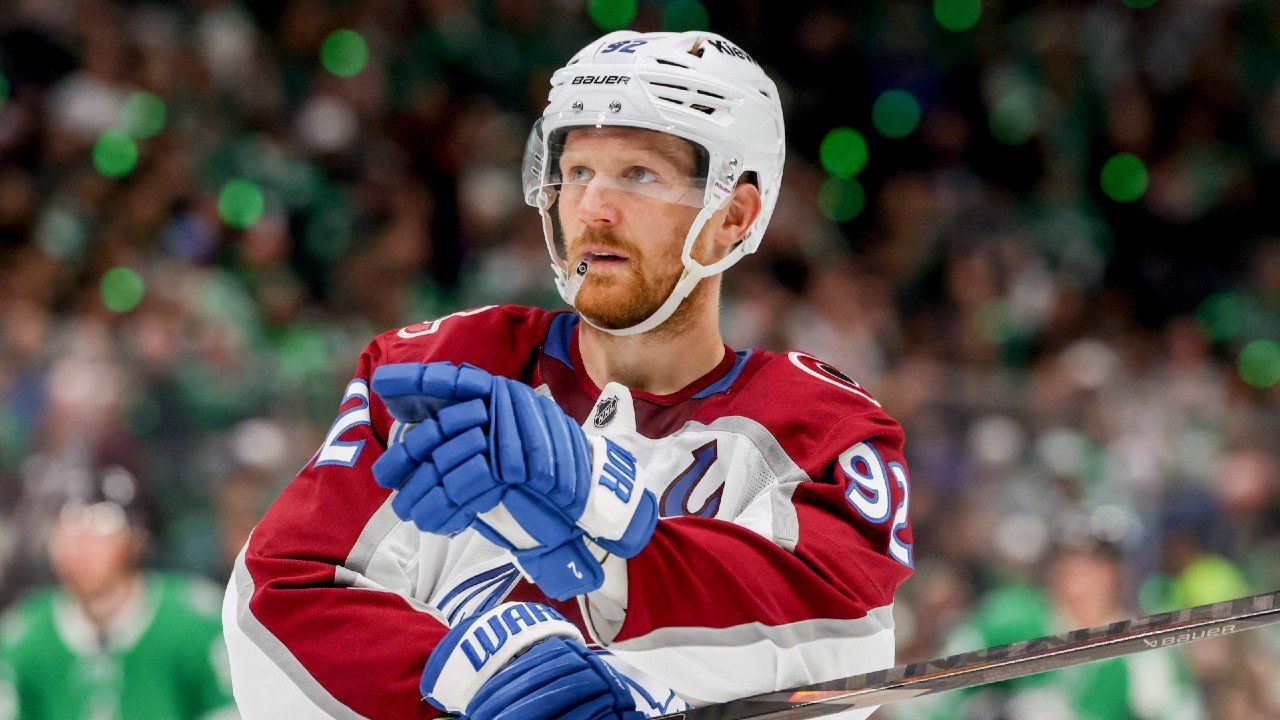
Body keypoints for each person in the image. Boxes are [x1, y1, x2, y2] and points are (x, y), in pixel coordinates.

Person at [223, 29, 914, 720]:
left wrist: (610, 518)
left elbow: (844, 642)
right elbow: (275, 596)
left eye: (639, 175)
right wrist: (465, 683)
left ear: (733, 215)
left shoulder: (822, 428)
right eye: (578, 171)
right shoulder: (441, 370)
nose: (593, 208)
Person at [0, 465, 237, 720]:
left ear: (136, 539)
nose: (80, 545)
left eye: (99, 527)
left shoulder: (194, 618)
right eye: (66, 528)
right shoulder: (23, 633)